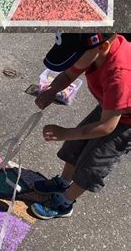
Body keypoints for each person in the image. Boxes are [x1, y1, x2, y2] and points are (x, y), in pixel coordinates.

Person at [30, 33, 131, 219]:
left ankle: (65, 203)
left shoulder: (120, 74)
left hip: (125, 121)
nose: (73, 63)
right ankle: (63, 182)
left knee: (94, 162)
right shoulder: (94, 50)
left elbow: (107, 127)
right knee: (75, 145)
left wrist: (64, 132)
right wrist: (52, 90)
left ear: (102, 48)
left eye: (76, 57)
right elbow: (69, 74)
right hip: (110, 106)